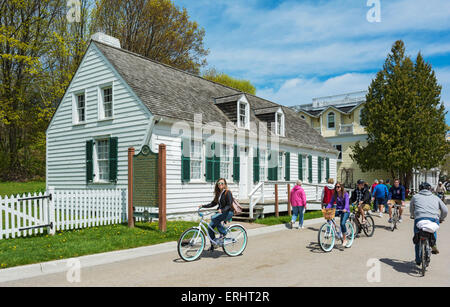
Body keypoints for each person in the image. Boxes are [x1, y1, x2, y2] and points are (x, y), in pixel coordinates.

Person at [410, 182, 447, 266]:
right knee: (432, 229)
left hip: (419, 218)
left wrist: (413, 215)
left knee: (417, 237)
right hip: (433, 219)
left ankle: (418, 259)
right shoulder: (436, 197)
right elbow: (445, 210)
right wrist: (441, 218)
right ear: (429, 189)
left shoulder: (415, 197)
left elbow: (411, 208)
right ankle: (433, 243)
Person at [199, 178, 234, 250]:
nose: (220, 185)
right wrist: (203, 206)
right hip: (221, 212)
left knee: (214, 219)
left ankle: (223, 233)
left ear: (225, 185)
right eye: (219, 183)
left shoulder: (228, 192)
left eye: (222, 183)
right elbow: (213, 203)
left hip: (228, 212)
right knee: (210, 226)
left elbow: (229, 204)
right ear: (217, 185)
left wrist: (222, 210)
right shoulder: (219, 193)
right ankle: (213, 244)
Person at [327, 182, 350, 247]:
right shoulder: (335, 194)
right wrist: (327, 208)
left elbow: (347, 203)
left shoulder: (345, 194)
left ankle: (345, 239)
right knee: (329, 216)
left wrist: (345, 209)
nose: (337, 188)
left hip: (345, 211)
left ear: (341, 187)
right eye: (336, 187)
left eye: (338, 187)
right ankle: (335, 232)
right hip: (338, 210)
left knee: (342, 223)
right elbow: (331, 203)